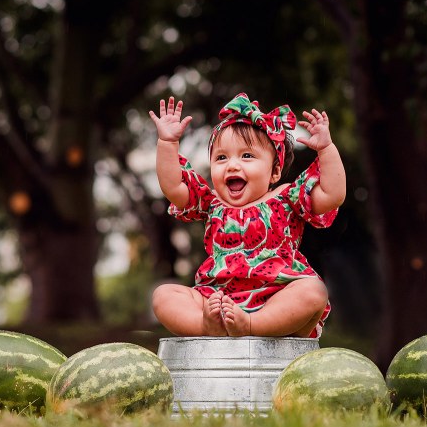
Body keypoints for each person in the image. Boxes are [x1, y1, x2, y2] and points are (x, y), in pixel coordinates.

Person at [148, 92, 347, 338]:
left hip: (278, 297)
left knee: (313, 291)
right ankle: (206, 327)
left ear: (274, 171)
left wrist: (326, 149)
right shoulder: (211, 202)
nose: (232, 165)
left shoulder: (287, 197)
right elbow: (174, 187)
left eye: (247, 156)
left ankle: (252, 325)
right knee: (164, 296)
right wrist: (167, 143)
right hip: (218, 299)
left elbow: (332, 195)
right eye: (221, 157)